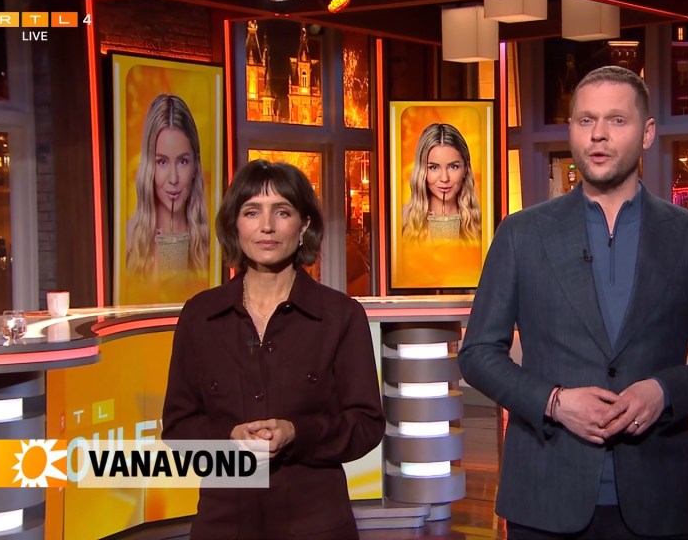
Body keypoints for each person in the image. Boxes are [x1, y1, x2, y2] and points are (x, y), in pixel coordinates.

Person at [458, 66, 688, 539]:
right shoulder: (521, 234)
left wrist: (664, 392)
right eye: (585, 120)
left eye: (616, 120)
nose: (598, 134)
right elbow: (477, 354)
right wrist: (554, 402)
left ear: (647, 132)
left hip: (657, 501)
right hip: (544, 498)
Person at [161, 159, 384, 539]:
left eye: (282, 212)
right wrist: (228, 438)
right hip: (224, 526)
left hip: (315, 525)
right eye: (252, 212)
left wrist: (297, 432)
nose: (267, 226)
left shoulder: (340, 316)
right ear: (235, 225)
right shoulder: (200, 316)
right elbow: (178, 427)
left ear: (304, 225)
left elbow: (365, 425)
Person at [126, 93, 210, 277]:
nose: (173, 178)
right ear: (149, 166)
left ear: (195, 165)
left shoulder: (211, 241)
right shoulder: (129, 241)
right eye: (162, 162)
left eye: (182, 161)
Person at [401, 122, 481, 242]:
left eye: (453, 166)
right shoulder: (402, 222)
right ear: (421, 170)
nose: (444, 178)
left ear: (465, 168)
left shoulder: (481, 223)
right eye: (433, 167)